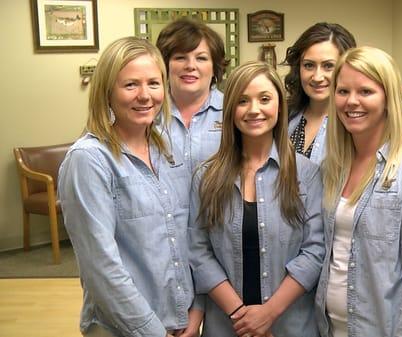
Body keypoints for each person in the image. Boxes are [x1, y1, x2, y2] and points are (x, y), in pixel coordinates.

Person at [58, 37, 201, 337]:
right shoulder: (89, 160)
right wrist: (154, 332)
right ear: (107, 92)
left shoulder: (170, 150)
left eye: (153, 83)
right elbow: (102, 269)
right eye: (131, 85)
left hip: (181, 322)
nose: (145, 95)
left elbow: (192, 240)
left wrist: (195, 310)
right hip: (123, 328)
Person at [315, 46, 402, 337]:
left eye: (365, 91)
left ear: (388, 98)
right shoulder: (332, 169)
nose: (351, 102)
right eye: (343, 91)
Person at [187, 61, 325, 337]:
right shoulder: (206, 176)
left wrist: (268, 313)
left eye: (264, 99)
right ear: (230, 111)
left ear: (279, 106)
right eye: (242, 101)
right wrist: (243, 317)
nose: (254, 110)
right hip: (227, 325)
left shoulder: (306, 174)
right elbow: (198, 251)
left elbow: (315, 251)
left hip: (289, 325)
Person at [156, 17, 229, 172]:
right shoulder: (149, 111)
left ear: (215, 67)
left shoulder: (232, 110)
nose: (190, 66)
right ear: (165, 63)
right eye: (180, 57)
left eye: (201, 58)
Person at [283, 22, 356, 163]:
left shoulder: (354, 122)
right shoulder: (285, 116)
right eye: (309, 65)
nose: (317, 77)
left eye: (328, 66)